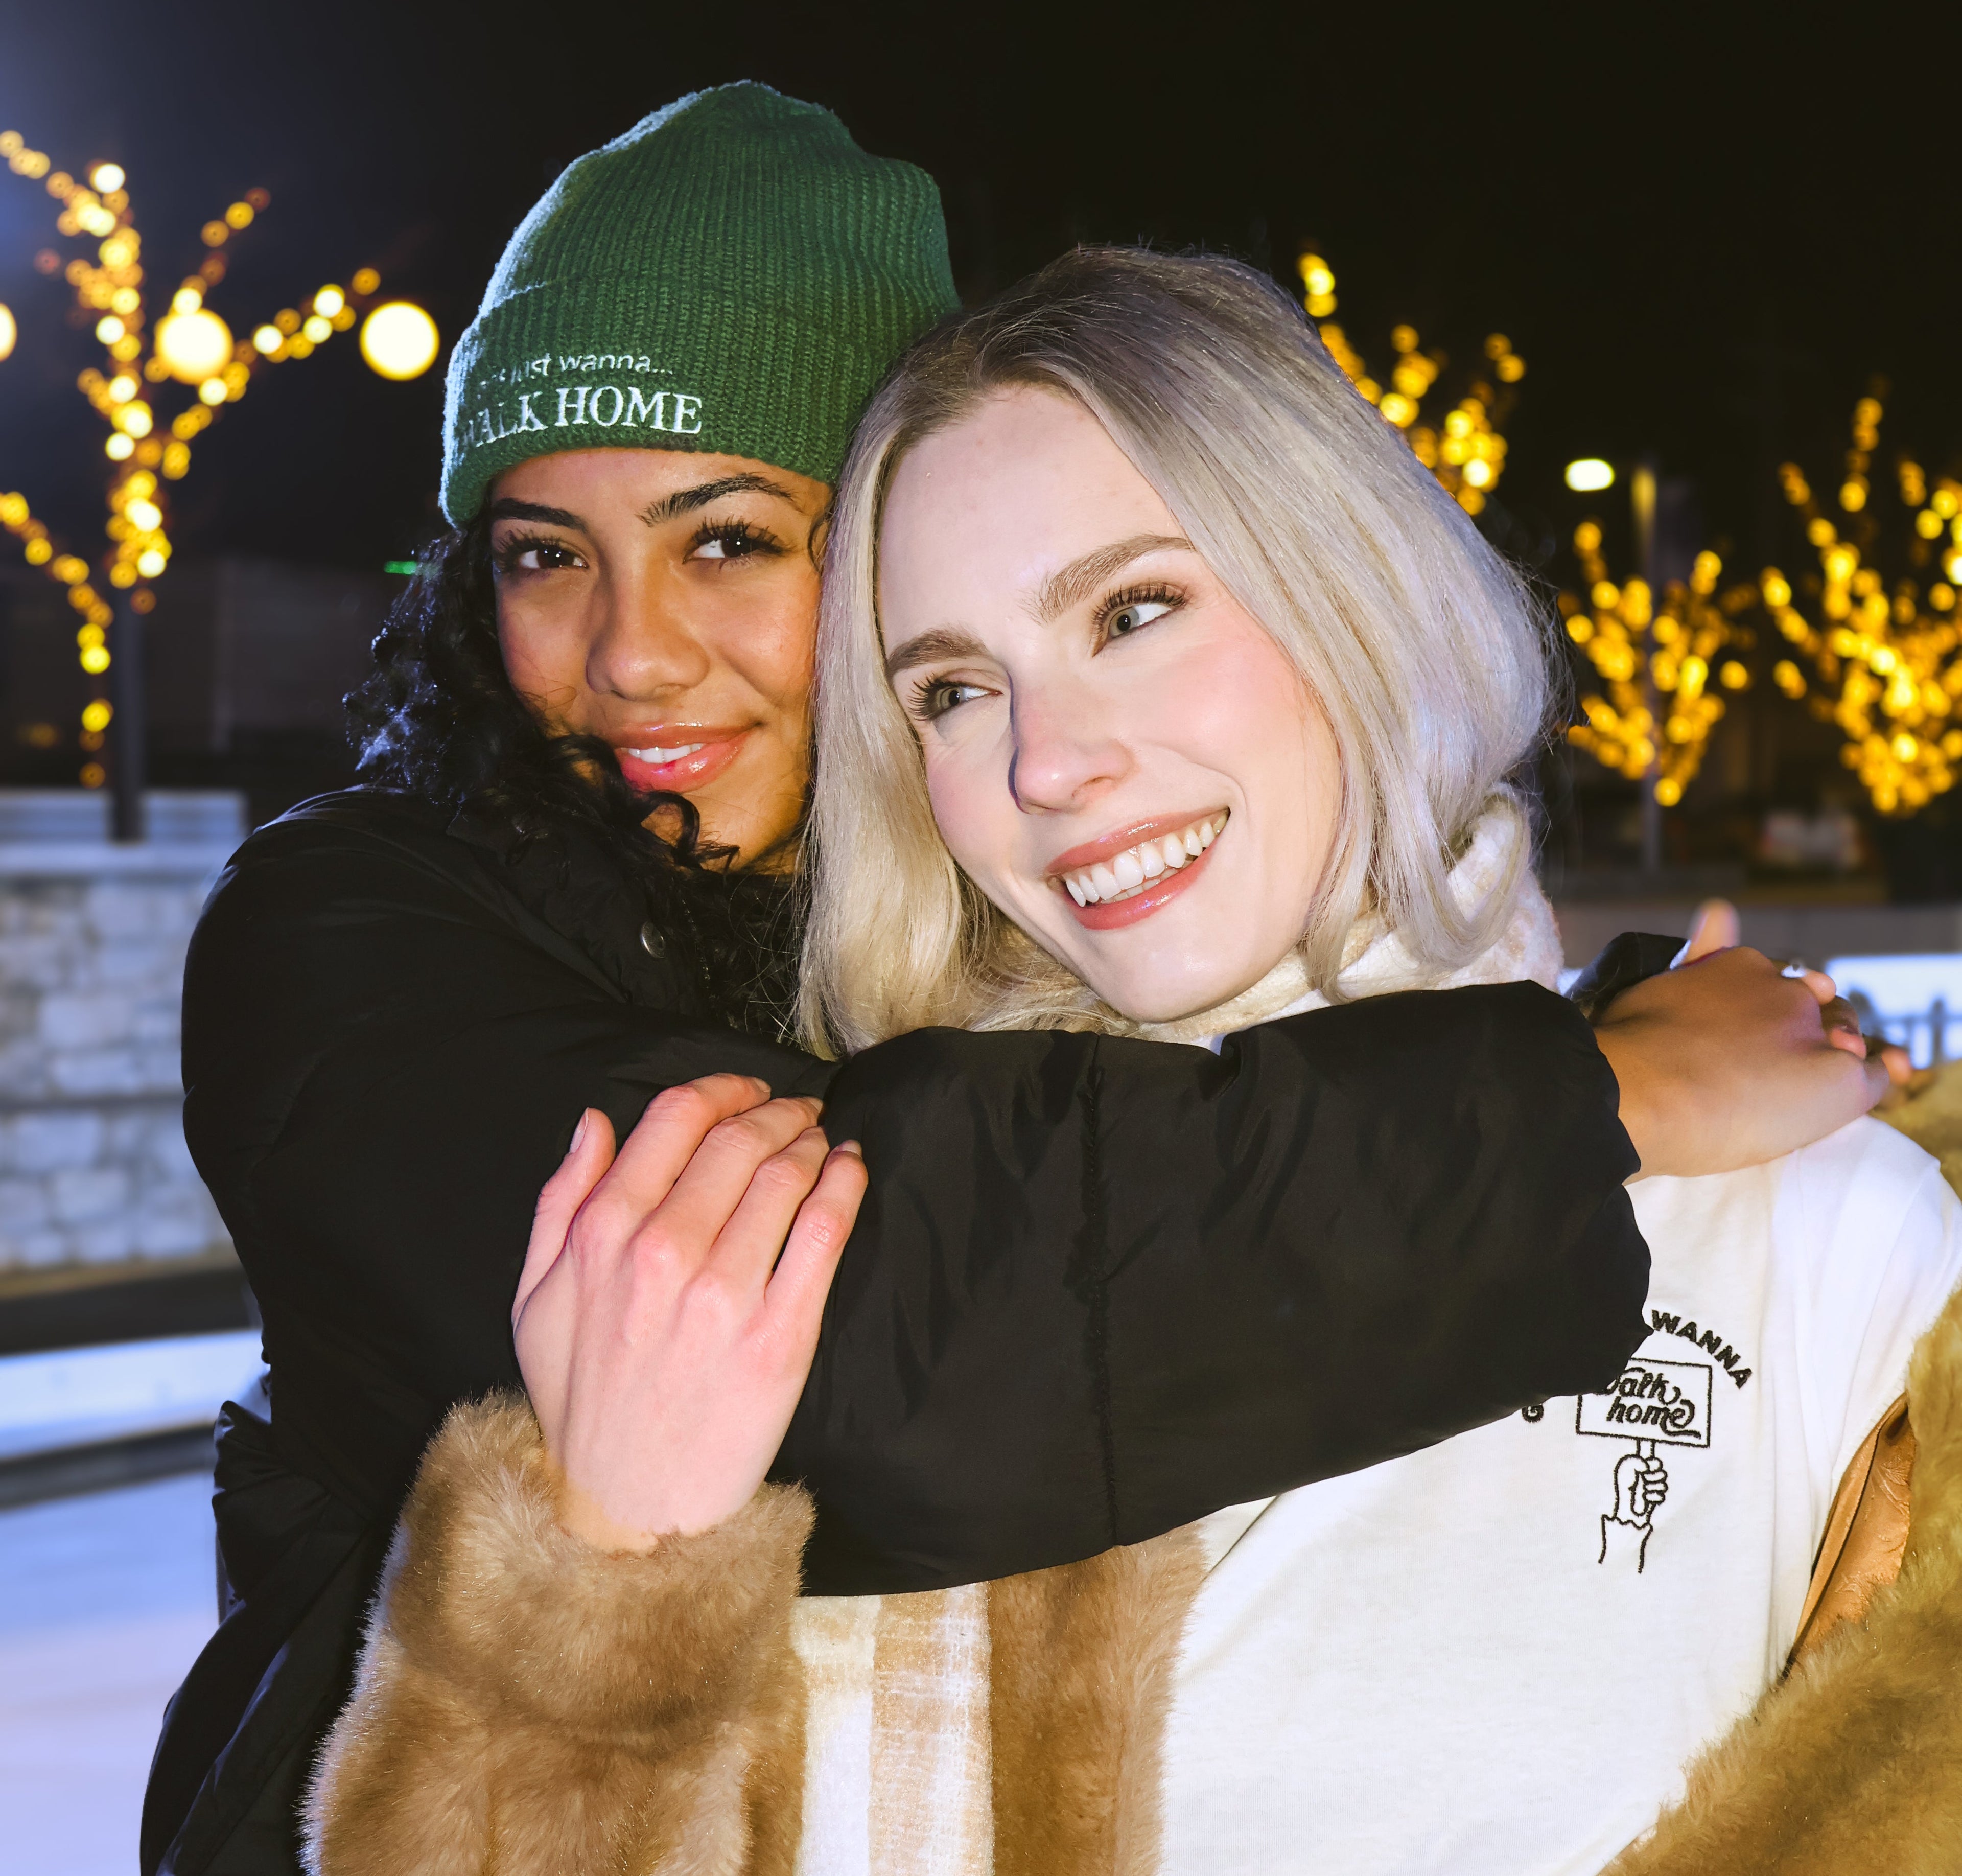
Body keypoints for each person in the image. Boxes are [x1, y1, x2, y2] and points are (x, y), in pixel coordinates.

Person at [150, 93, 1882, 1876]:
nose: (631, 653)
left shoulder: (981, 954)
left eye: (729, 537)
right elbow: (886, 1317)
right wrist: (1589, 1095)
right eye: (542, 554)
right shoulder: (343, 924)